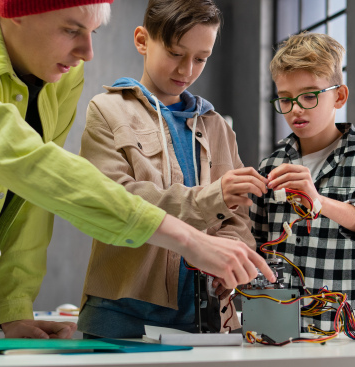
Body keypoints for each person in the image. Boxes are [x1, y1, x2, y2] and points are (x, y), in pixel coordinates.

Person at [0, 0, 274, 340]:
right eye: (71, 30)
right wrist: (189, 238)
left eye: (92, 31)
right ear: (17, 11)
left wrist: (15, 309)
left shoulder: (62, 76)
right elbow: (32, 165)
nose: (87, 52)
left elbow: (31, 197)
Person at [76, 0, 268, 339]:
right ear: (142, 40)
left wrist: (228, 263)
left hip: (209, 316)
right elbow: (116, 201)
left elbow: (238, 217)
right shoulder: (107, 110)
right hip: (121, 313)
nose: (187, 70)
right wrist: (210, 198)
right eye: (176, 53)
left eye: (201, 58)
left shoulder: (218, 128)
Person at [250, 32, 355, 333]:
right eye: (285, 99)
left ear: (339, 96)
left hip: (346, 330)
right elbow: (254, 243)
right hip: (276, 328)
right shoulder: (270, 167)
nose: (296, 109)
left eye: (309, 95)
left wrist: (318, 201)